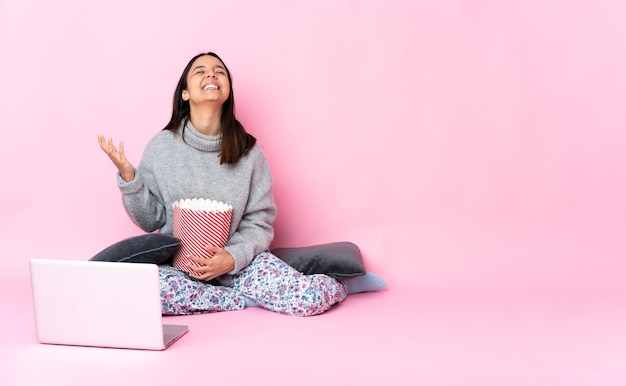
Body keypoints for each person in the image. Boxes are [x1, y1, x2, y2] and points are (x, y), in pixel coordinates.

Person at [97, 52, 347, 316]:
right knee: (141, 294)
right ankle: (238, 300)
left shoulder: (249, 152)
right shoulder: (161, 148)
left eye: (219, 71)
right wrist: (129, 177)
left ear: (227, 91)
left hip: (240, 266)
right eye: (200, 71)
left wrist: (232, 258)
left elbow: (259, 222)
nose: (211, 74)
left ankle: (342, 284)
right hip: (180, 269)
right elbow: (150, 221)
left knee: (307, 300)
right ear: (185, 93)